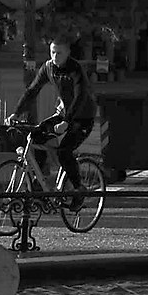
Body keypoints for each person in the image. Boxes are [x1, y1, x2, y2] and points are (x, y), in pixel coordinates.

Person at [14, 39, 97, 203]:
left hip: (82, 116)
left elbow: (80, 96)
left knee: (64, 151)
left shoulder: (75, 69)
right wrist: (17, 113)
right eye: (52, 52)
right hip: (64, 114)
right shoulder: (48, 67)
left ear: (68, 53)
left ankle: (78, 188)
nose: (55, 56)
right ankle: (41, 180)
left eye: (59, 53)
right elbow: (32, 90)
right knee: (36, 137)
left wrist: (67, 121)